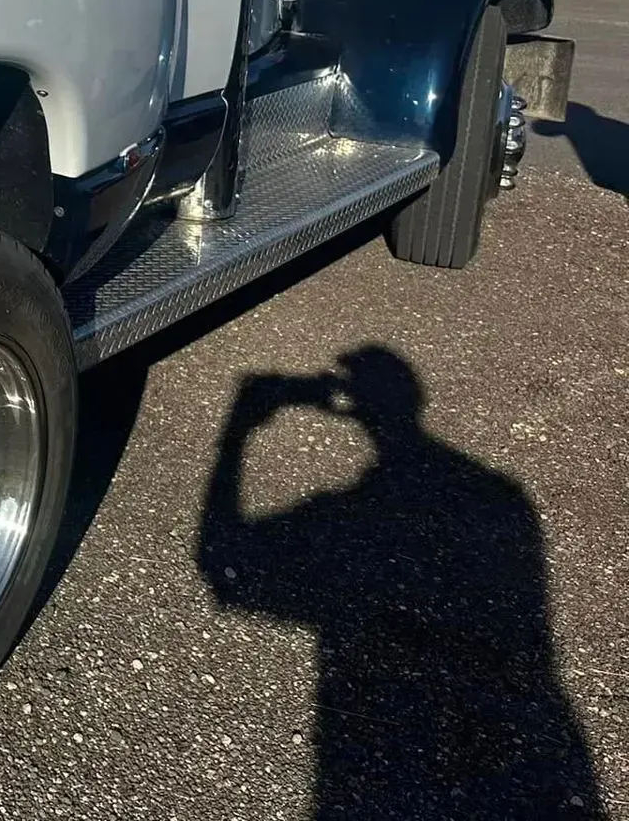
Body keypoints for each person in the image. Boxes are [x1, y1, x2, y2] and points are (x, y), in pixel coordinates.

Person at [197, 346, 600, 819]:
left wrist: (238, 429)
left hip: (378, 751)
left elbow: (227, 565)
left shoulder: (354, 514)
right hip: (529, 750)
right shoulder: (501, 495)